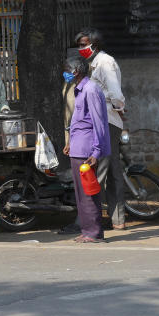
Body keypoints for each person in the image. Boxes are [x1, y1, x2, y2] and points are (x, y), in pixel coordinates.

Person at [75, 28, 127, 230]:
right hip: (107, 121)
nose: (81, 49)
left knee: (99, 172)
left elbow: (115, 93)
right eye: (79, 45)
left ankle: (89, 221)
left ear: (94, 45)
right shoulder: (93, 63)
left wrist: (118, 107)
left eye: (83, 45)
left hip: (105, 122)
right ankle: (118, 221)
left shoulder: (105, 63)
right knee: (114, 173)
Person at [62, 55, 110, 243]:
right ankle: (87, 229)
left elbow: (99, 123)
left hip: (87, 151)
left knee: (89, 193)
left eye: (66, 70)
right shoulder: (79, 89)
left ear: (75, 71)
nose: (64, 73)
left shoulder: (91, 90)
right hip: (78, 148)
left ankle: (94, 232)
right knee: (81, 194)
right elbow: (78, 121)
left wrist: (96, 152)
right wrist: (70, 143)